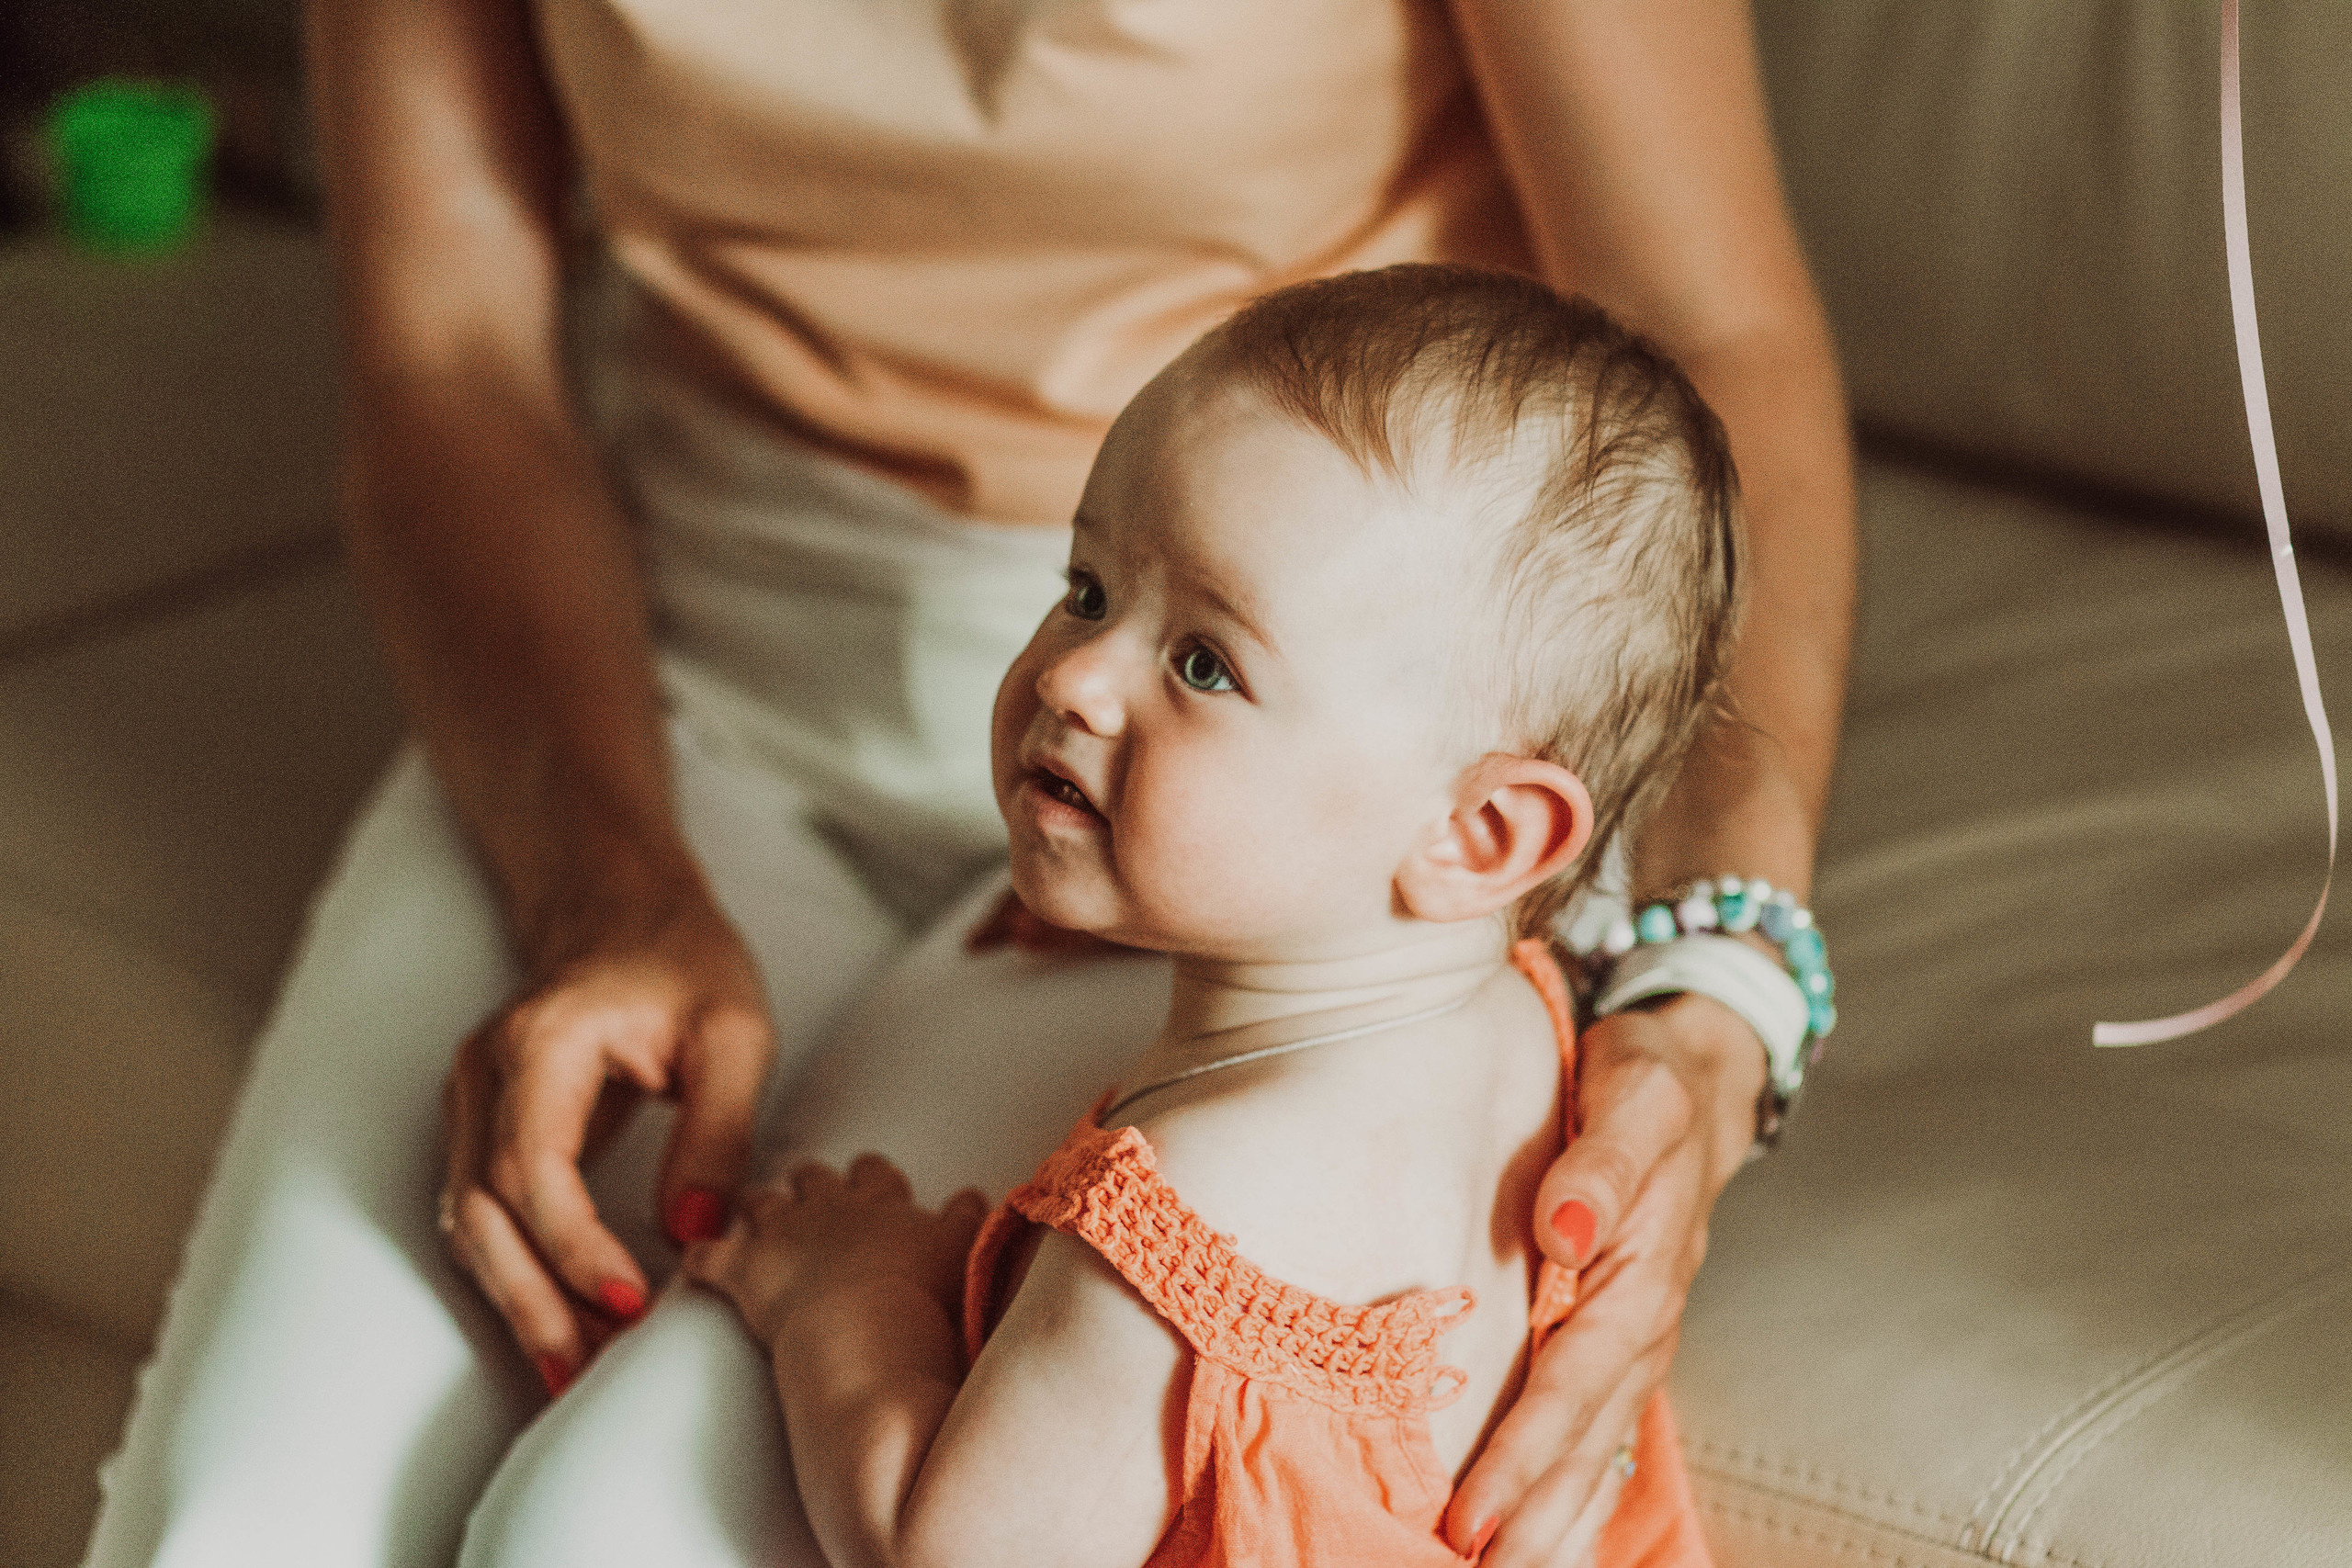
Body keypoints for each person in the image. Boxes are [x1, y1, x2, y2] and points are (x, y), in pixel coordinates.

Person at [85, 3, 1854, 1565]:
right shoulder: (1121, 699)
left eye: (1150, 644)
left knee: (609, 1530)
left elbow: (1708, 322)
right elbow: (446, 361)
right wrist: (604, 879)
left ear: (1499, 839)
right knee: (246, 1528)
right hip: (686, 656)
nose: (1068, 676)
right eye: (1078, 612)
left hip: (1309, 767)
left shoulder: (1271, 1090)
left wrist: (1726, 973)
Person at [686, 266, 1734, 1567]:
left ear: (1483, 836)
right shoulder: (1523, 1014)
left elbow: (944, 1557)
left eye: (1203, 664)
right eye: (1087, 587)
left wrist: (846, 1302)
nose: (1074, 673)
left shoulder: (1184, 1219)